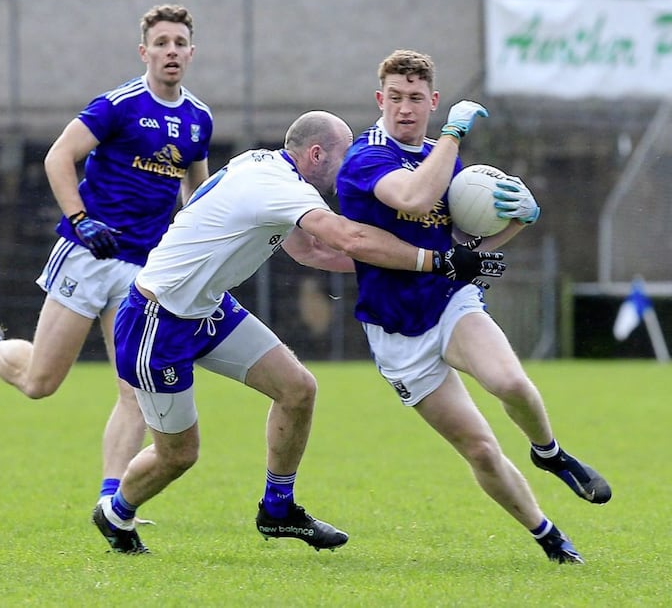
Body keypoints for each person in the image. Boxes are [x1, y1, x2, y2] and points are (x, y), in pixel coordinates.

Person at [92, 108, 505, 554]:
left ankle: (278, 510)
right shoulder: (278, 187)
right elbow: (349, 239)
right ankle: (114, 512)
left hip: (208, 311)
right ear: (315, 154)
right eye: (346, 155)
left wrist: (425, 264)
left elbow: (314, 252)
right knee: (179, 455)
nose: (353, 166)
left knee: (298, 389)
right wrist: (436, 261)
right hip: (157, 322)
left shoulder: (265, 167)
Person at [0, 4, 212, 519]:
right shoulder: (118, 105)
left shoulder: (199, 119)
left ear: (191, 52)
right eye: (162, 42)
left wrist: (193, 252)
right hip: (87, 255)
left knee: (133, 392)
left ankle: (111, 502)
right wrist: (82, 219)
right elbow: (58, 156)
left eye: (179, 43)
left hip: (141, 271)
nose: (171, 51)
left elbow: (197, 195)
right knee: (41, 382)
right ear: (144, 50)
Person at [335, 49, 611, 565]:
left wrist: (518, 221)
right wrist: (454, 133)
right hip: (397, 334)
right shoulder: (365, 158)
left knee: (510, 383)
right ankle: (549, 536)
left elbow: (464, 252)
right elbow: (415, 200)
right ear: (380, 100)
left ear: (432, 100)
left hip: (448, 303)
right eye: (395, 98)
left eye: (416, 98)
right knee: (480, 449)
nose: (405, 109)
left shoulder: (445, 159)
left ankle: (549, 453)